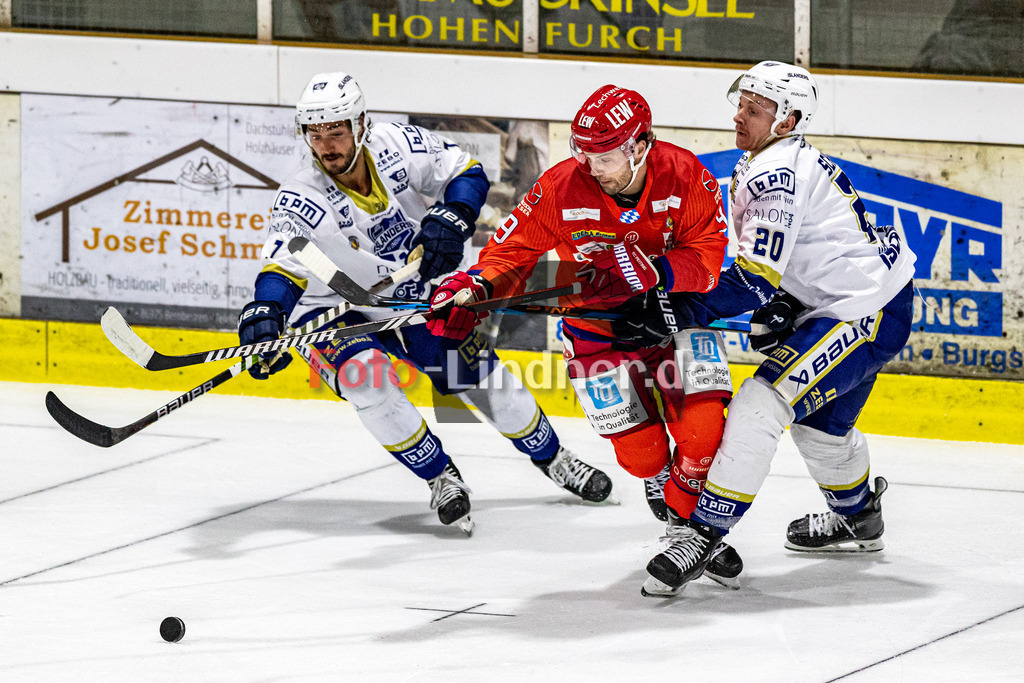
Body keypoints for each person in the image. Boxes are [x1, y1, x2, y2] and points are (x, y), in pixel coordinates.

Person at [237, 71, 614, 533]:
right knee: (367, 382)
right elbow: (283, 268)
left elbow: (465, 173)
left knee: (479, 376)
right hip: (334, 306)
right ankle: (441, 477)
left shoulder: (396, 145)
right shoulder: (302, 194)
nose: (326, 145)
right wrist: (266, 314)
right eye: (315, 134)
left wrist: (453, 216)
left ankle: (555, 459)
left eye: (336, 131)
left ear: (360, 125)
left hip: (409, 296)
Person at [426, 84, 744, 588]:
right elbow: (514, 249)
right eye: (582, 151)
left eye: (604, 154)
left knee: (703, 434)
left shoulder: (686, 175)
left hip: (679, 320)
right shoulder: (561, 185)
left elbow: (708, 259)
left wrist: (655, 273)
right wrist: (475, 285)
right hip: (596, 328)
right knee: (640, 456)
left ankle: (689, 530)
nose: (590, 165)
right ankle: (670, 491)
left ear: (639, 146)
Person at [622, 61, 917, 596]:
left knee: (761, 403)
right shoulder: (775, 158)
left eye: (753, 110)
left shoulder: (775, 174)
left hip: (862, 311)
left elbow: (754, 275)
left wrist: (679, 311)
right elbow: (792, 259)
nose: (738, 117)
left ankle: (702, 535)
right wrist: (786, 301)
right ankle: (860, 518)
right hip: (872, 298)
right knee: (820, 430)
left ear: (789, 120)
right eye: (741, 104)